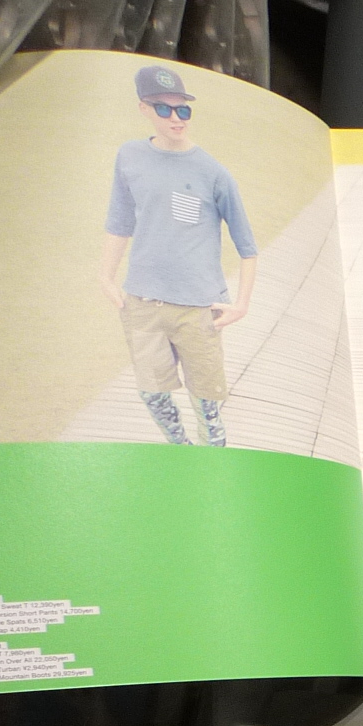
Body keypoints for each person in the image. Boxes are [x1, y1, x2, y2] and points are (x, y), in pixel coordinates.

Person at [98, 64, 258, 449]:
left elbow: (247, 245)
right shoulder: (129, 156)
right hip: (142, 301)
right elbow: (120, 219)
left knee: (207, 403)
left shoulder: (213, 173)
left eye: (183, 109)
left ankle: (212, 461)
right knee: (152, 393)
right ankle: (180, 450)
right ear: (144, 109)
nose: (176, 118)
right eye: (164, 108)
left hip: (198, 307)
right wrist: (105, 275)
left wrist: (242, 304)